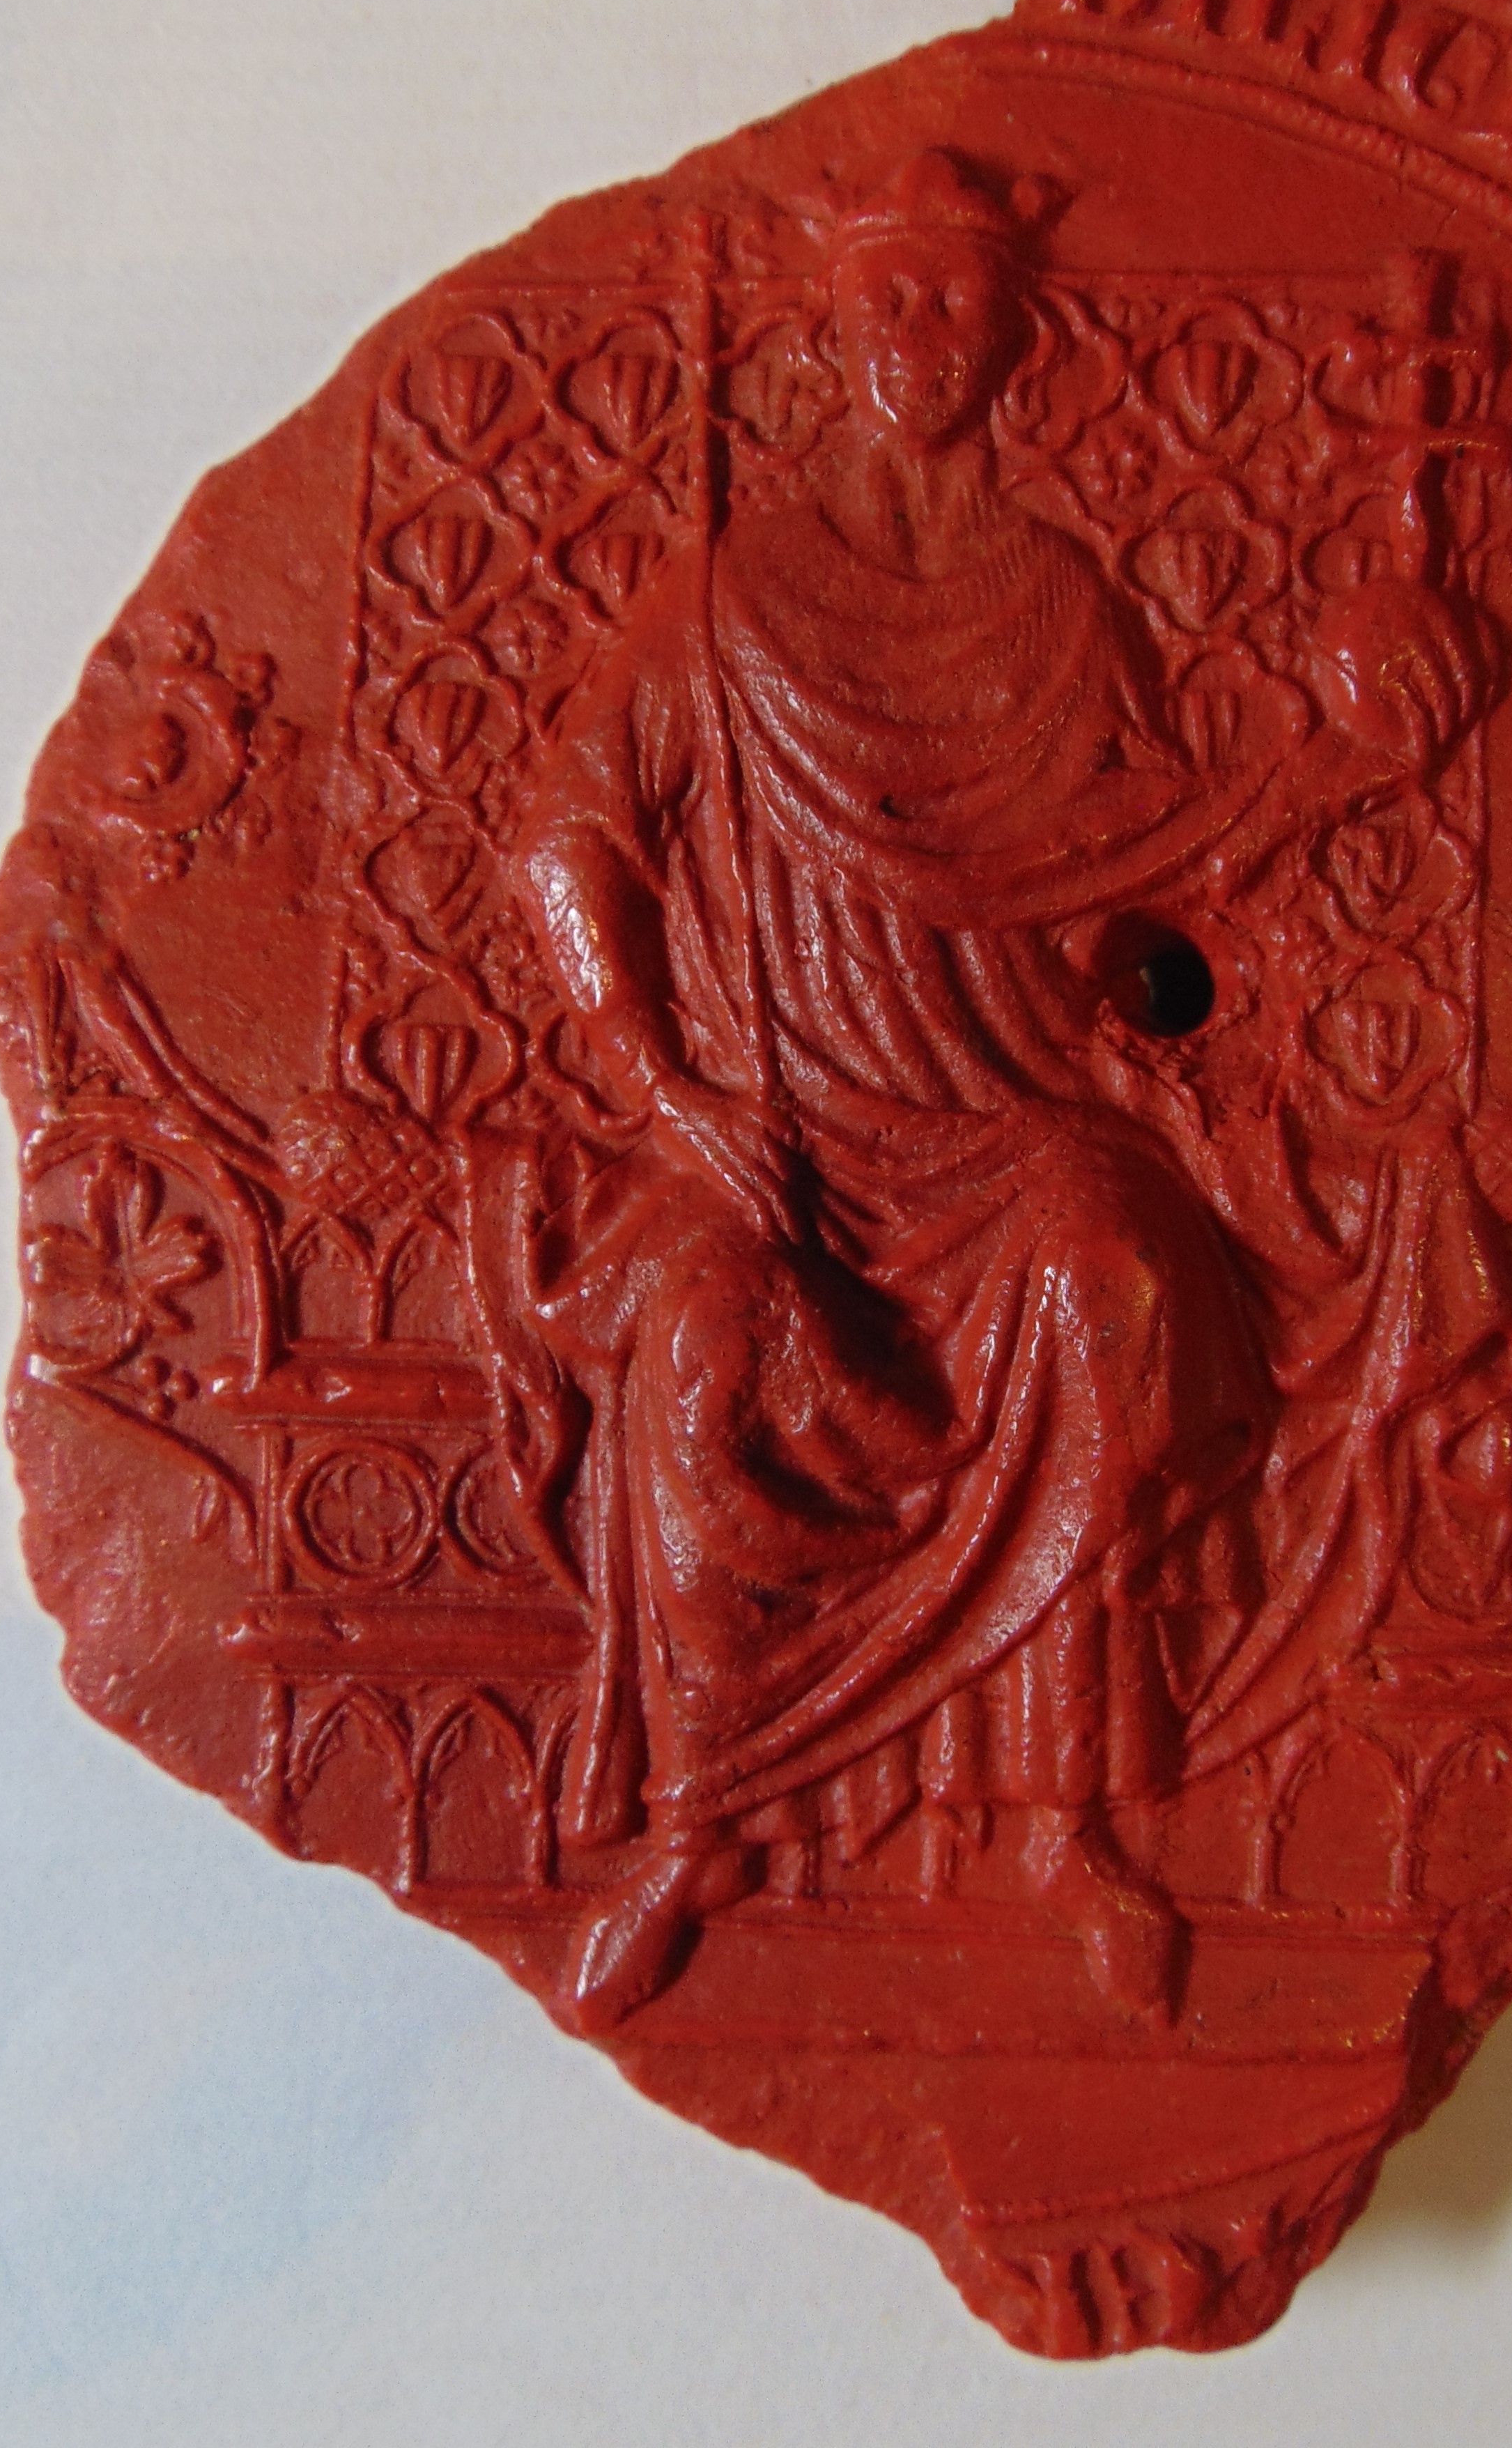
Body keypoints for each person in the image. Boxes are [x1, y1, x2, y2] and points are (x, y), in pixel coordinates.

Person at [510, 154, 1280, 2029]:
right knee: (703, 1345)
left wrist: (1322, 767)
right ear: (836, 331)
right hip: (773, 1131)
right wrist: (666, 1092)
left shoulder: (1057, 601)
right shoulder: (730, 592)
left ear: (1009, 335)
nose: (919, 336)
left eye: (953, 303)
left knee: (1108, 1283)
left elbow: (1148, 861)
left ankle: (1068, 1824)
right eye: (888, 301)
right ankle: (699, 1824)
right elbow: (563, 841)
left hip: (999, 1113)